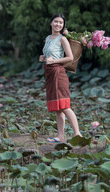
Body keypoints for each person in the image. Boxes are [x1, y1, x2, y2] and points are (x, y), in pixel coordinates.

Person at [39, 13, 82, 143]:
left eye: (61, 23)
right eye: (56, 21)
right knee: (58, 108)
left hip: (58, 73)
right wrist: (43, 58)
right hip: (50, 73)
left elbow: (70, 57)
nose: (58, 24)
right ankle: (61, 136)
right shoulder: (48, 38)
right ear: (51, 23)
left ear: (63, 26)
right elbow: (48, 55)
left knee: (64, 105)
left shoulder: (62, 39)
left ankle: (77, 134)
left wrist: (54, 61)